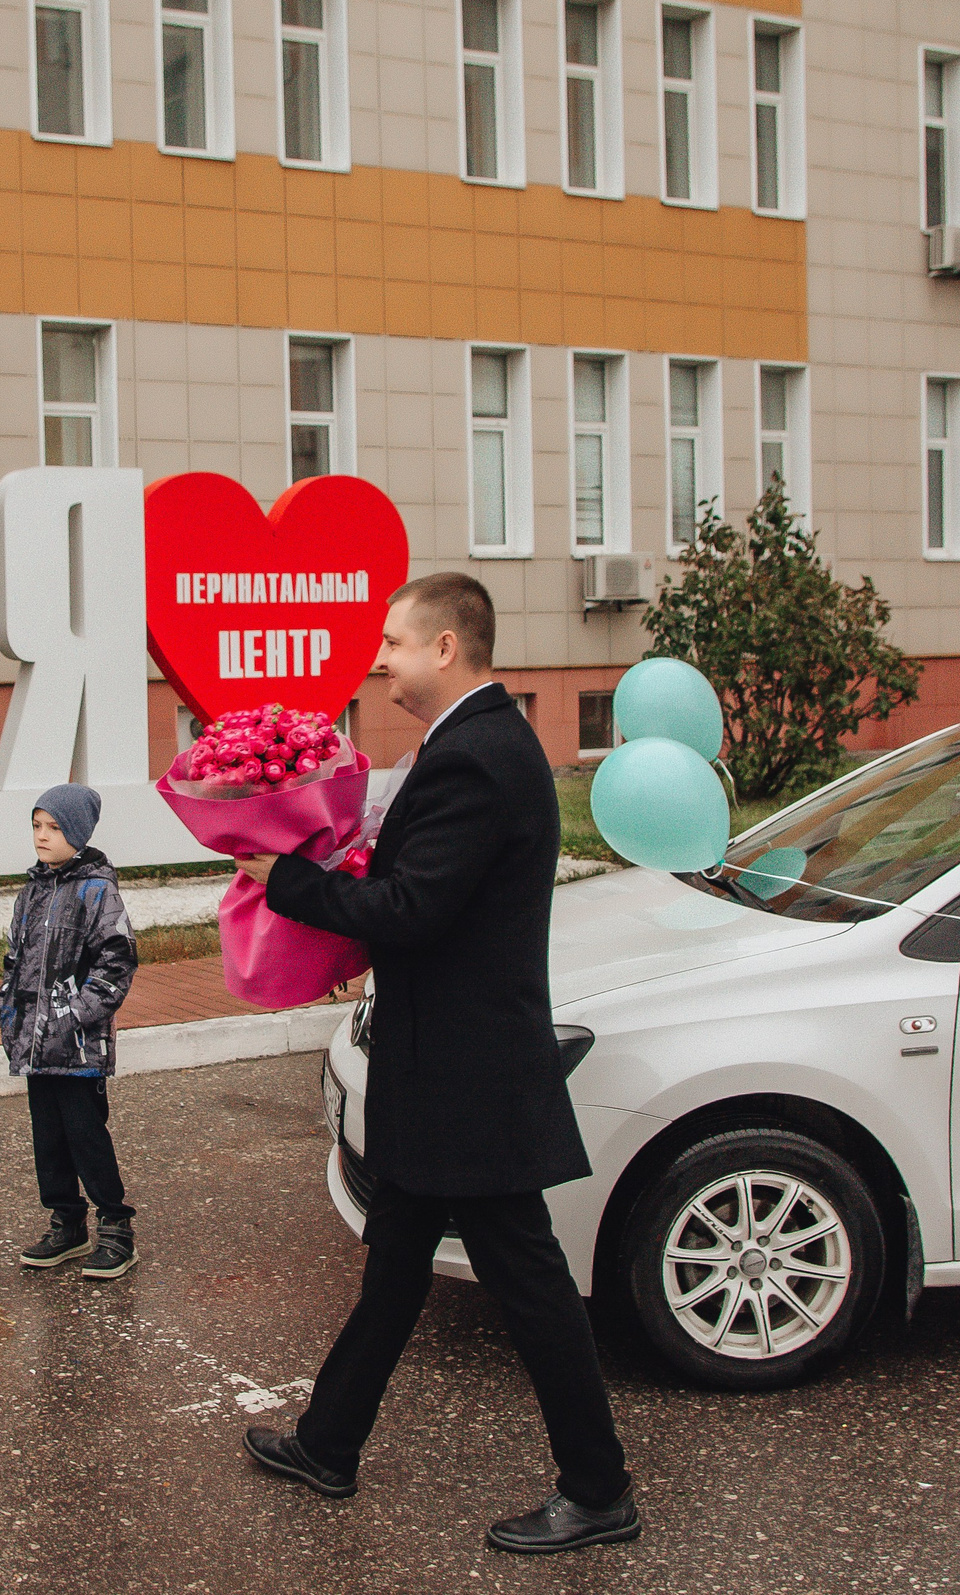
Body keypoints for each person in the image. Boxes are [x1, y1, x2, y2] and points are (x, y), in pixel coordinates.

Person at [231, 572, 639, 1555]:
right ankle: (330, 1445)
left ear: (445, 649)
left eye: (395, 645)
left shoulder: (476, 755)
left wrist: (285, 882)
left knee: (531, 1283)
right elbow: (425, 903)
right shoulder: (465, 744)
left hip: (468, 1080)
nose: (381, 661)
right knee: (394, 1270)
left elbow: (414, 908)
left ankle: (598, 1490)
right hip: (439, 1066)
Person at [0, 785, 141, 1281]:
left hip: (77, 1043)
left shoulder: (96, 890)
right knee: (48, 1136)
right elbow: (16, 958)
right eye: (37, 826)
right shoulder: (33, 890)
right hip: (35, 1042)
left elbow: (117, 960)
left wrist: (78, 1013)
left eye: (54, 828)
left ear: (77, 833)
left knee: (84, 1133)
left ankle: (116, 1226)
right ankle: (67, 1221)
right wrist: (7, 1009)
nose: (42, 837)